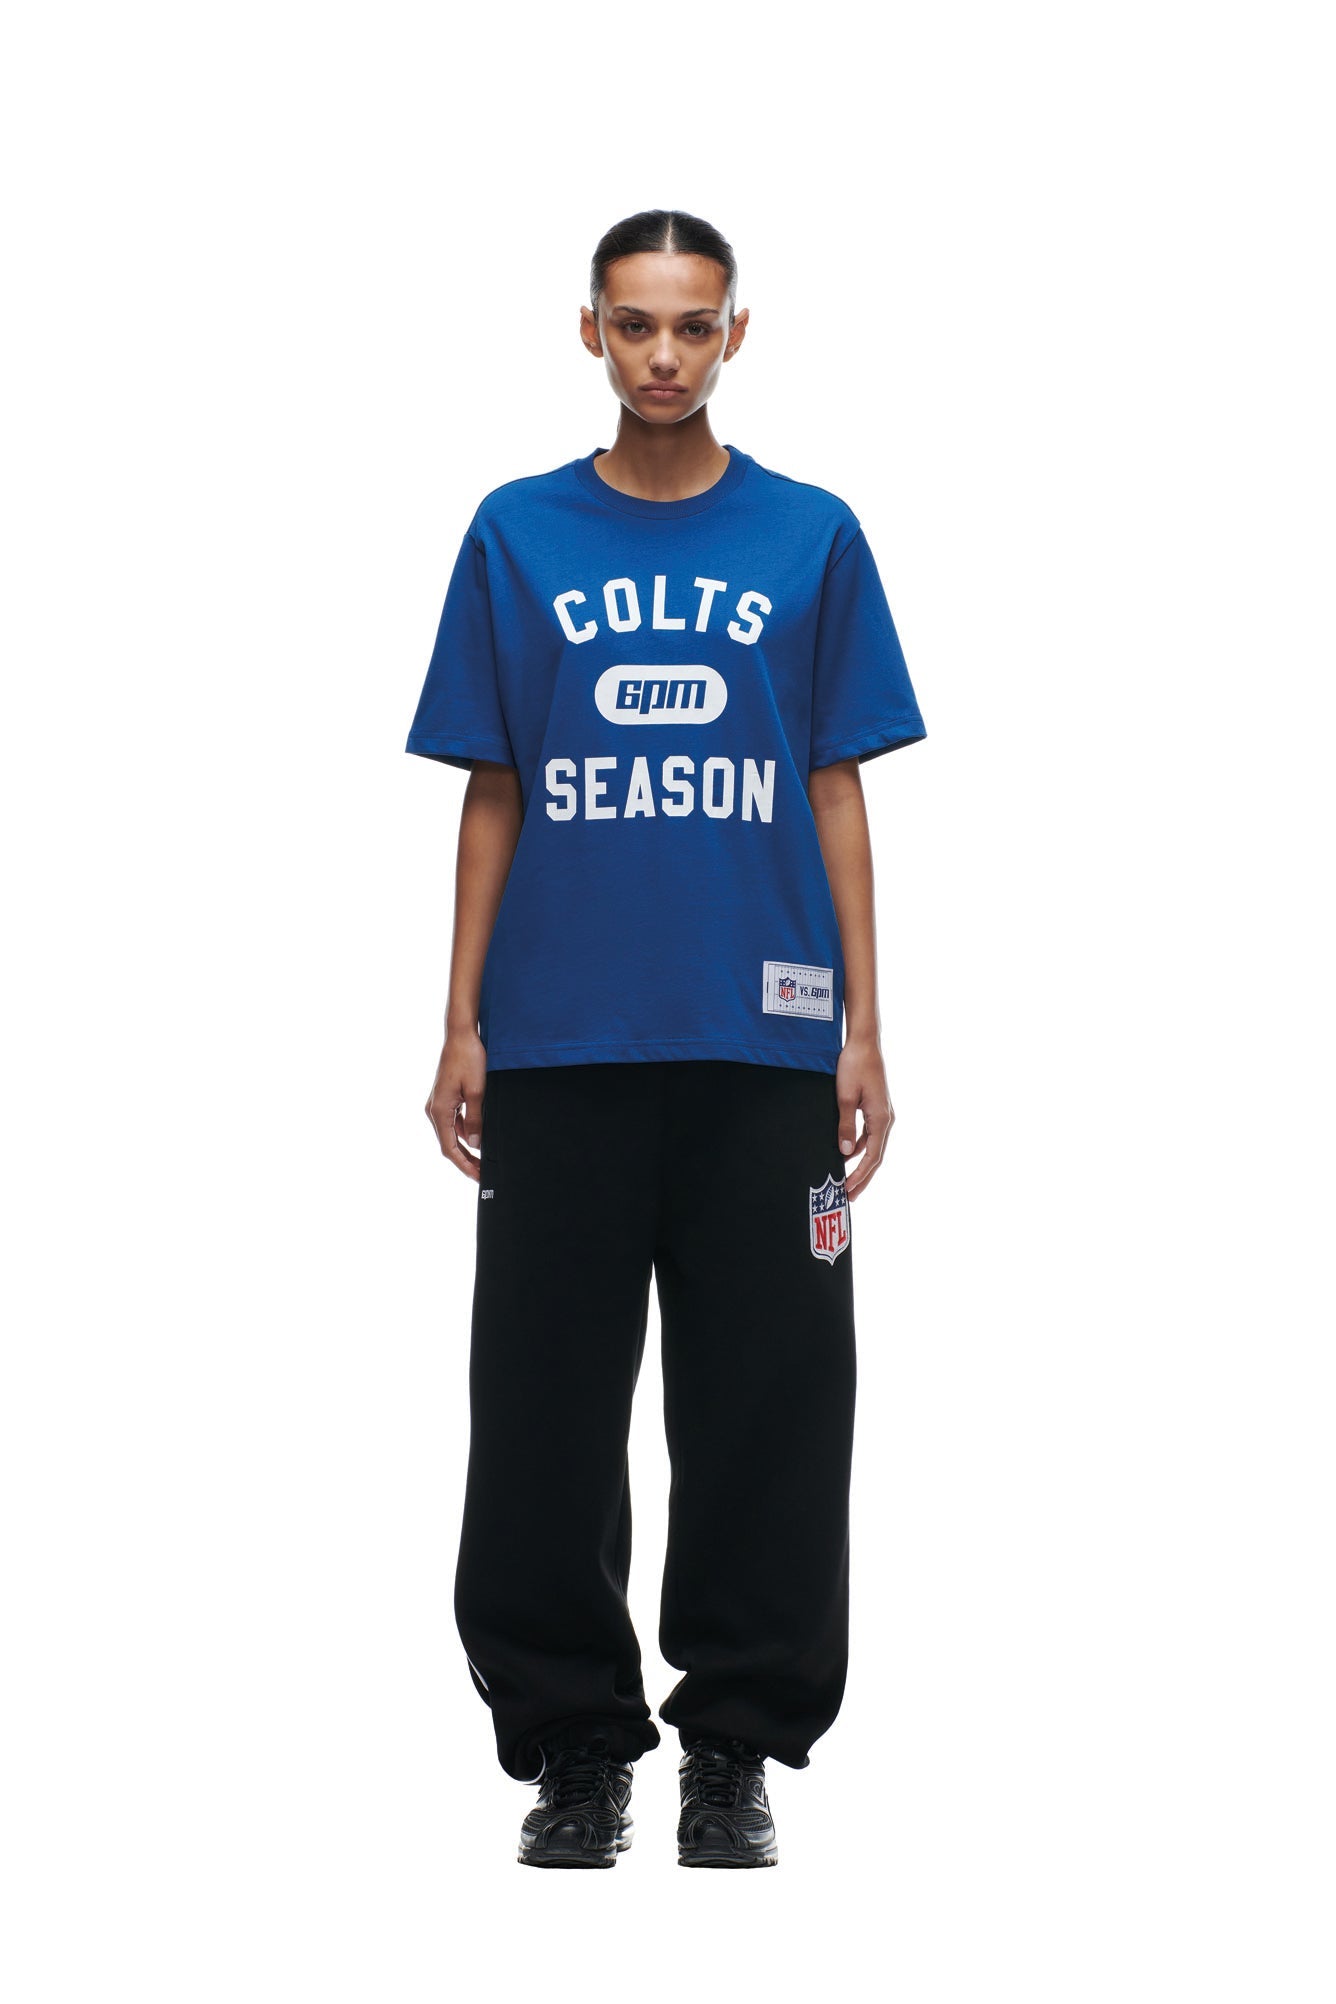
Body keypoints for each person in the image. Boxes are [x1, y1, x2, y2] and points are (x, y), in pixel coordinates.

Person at [405, 208, 927, 1869]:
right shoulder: (516, 534)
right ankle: (575, 1747)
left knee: (774, 1401)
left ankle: (734, 1751)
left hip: (764, 1041)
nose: (664, 355)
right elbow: (495, 789)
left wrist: (862, 1027)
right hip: (561, 1039)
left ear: (735, 335)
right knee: (543, 1405)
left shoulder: (811, 536)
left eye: (693, 325)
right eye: (635, 324)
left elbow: (833, 788)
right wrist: (460, 1019)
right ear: (591, 333)